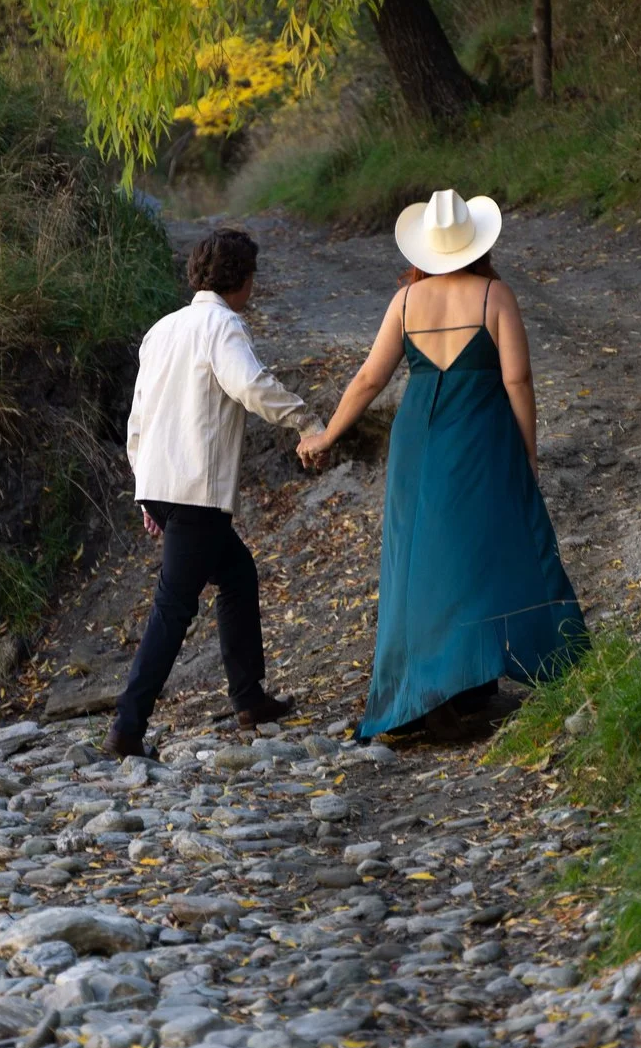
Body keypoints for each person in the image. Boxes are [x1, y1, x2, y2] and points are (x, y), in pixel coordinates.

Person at [298, 190, 587, 737]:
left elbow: (368, 380)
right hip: (481, 432)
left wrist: (327, 434)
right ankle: (515, 665)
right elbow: (518, 380)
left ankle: (440, 688)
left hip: (418, 440)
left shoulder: (405, 301)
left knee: (421, 561)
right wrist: (527, 449)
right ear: (476, 243)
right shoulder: (494, 296)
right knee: (489, 545)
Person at [112, 228, 320, 758]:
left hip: (162, 483)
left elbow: (138, 419)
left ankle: (249, 697)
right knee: (174, 607)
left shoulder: (162, 329)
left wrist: (145, 491)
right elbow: (249, 386)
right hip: (195, 491)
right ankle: (126, 729)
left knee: (235, 574)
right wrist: (305, 419)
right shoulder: (223, 325)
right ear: (244, 281)